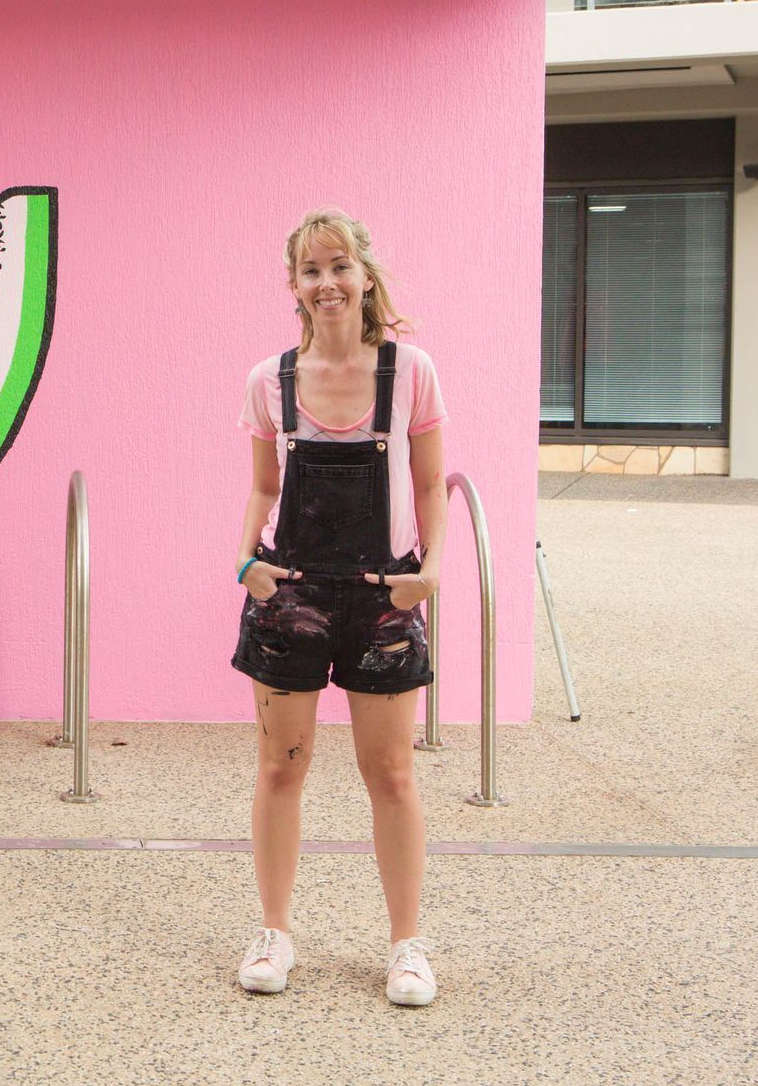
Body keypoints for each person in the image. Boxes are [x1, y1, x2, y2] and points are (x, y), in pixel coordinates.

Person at [229, 207, 447, 1007]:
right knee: (281, 767)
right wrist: (248, 559)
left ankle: (406, 946)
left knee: (389, 772)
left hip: (384, 594)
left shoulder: (411, 371)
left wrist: (433, 570)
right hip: (290, 595)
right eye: (310, 271)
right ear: (294, 285)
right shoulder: (269, 380)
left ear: (364, 274)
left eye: (339, 266)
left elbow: (428, 483)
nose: (327, 283)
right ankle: (275, 933)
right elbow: (262, 484)